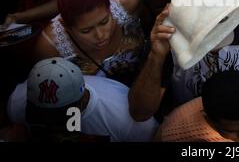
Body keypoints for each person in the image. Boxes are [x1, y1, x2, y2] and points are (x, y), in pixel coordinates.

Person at [128, 7, 239, 120]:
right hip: (193, 119)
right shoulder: (168, 38)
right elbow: (140, 112)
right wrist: (157, 55)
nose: (212, 29)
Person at [33, 0, 146, 87]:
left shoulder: (129, 1)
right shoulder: (50, 47)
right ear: (66, 26)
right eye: (86, 31)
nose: (100, 35)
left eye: (104, 22)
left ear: (110, 8)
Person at [6, 57, 158, 142]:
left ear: (83, 96)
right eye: (41, 114)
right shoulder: (17, 103)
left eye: (61, 115)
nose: (50, 123)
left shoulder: (123, 117)